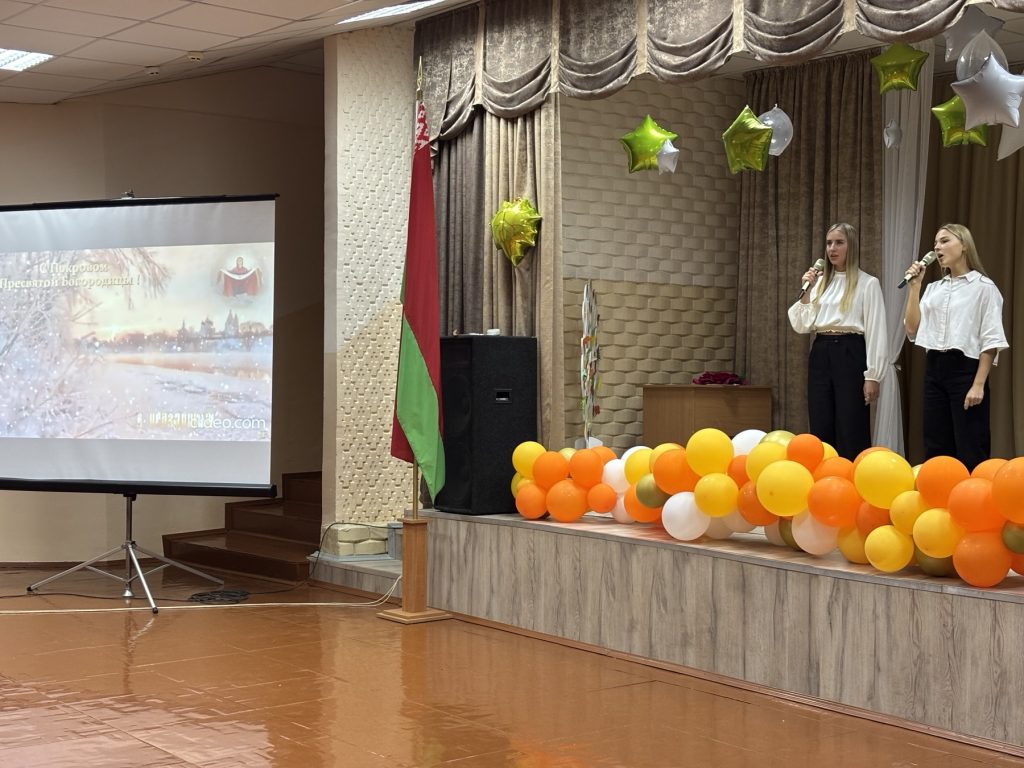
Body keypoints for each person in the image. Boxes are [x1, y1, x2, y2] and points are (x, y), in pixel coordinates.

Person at [902, 224, 1008, 471]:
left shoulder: (984, 287)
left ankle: (973, 494)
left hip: (965, 370)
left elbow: (991, 339)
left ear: (964, 245)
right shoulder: (933, 289)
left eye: (944, 241)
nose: (937, 248)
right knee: (936, 445)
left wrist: (978, 384)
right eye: (935, 243)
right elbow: (912, 328)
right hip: (934, 369)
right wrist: (915, 288)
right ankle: (941, 493)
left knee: (971, 444)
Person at [787, 223, 887, 460]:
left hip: (850, 351)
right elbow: (802, 325)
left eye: (839, 243)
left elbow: (876, 329)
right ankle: (825, 473)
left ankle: (852, 474)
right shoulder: (821, 283)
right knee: (820, 418)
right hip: (821, 350)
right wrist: (807, 290)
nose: (832, 248)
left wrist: (873, 375)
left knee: (851, 421)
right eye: (829, 243)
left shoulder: (867, 283)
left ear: (851, 246)